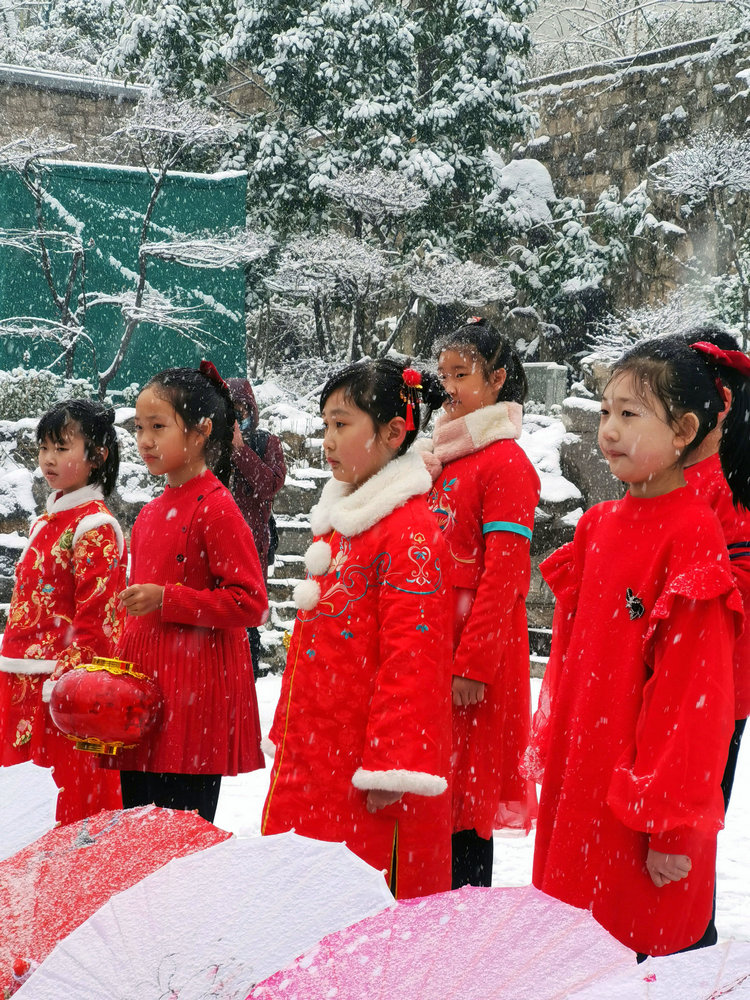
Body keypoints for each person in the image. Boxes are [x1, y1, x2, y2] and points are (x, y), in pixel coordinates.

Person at [524, 333, 748, 958]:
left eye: (630, 413)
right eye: (604, 412)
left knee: (630, 957)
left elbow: (692, 695)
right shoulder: (597, 524)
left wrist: (670, 824)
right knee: (570, 951)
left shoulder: (694, 533)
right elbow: (570, 663)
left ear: (682, 430)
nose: (609, 430)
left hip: (636, 795)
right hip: (582, 777)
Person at [261, 358, 453, 899]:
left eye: (342, 424)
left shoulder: (410, 532)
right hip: (318, 749)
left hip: (362, 768)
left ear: (394, 432)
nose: (327, 439)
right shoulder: (347, 523)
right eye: (325, 424)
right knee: (297, 894)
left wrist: (392, 768)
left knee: (353, 906)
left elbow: (413, 659)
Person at [114, 362, 268, 823]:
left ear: (201, 431)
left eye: (158, 427)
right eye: (139, 427)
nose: (144, 440)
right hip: (144, 699)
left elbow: (250, 602)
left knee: (179, 843)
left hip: (192, 699)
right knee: (136, 838)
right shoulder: (148, 514)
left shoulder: (216, 507)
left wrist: (168, 598)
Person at [419, 317, 541, 889]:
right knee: (432, 789)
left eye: (461, 374)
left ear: (496, 379)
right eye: (444, 374)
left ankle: (461, 921)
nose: (449, 386)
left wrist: (474, 664)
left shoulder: (507, 464)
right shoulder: (447, 455)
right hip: (435, 641)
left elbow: (506, 577)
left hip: (474, 651)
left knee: (465, 798)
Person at [0, 399, 125, 824]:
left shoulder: (95, 527)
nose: (48, 459)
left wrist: (63, 687)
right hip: (18, 686)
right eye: (43, 448)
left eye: (62, 448)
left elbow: (99, 627)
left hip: (59, 695)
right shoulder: (44, 523)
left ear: (97, 456)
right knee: (20, 812)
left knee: (64, 808)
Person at [680, 324, 750, 946]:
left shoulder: (729, 487)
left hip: (714, 682)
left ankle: (688, 935)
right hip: (692, 680)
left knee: (691, 815)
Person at [226, 377, 286, 679]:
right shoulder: (212, 445)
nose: (238, 418)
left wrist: (240, 450)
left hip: (252, 546)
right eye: (231, 411)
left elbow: (268, 485)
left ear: (252, 410)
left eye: (242, 410)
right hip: (218, 545)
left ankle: (247, 679)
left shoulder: (267, 443)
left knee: (247, 620)